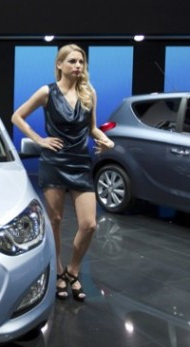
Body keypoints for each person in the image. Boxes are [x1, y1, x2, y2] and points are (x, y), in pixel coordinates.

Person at [11, 44, 114, 302]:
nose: (78, 66)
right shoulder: (48, 91)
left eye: (81, 62)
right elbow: (17, 116)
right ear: (59, 64)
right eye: (72, 61)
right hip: (54, 162)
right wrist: (40, 140)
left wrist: (107, 141)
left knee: (89, 224)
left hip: (80, 164)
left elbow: (92, 128)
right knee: (55, 221)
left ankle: (73, 270)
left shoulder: (89, 93)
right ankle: (57, 270)